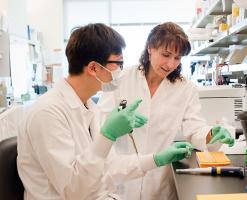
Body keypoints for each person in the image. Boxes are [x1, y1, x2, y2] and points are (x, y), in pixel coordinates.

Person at [17, 23, 194, 200]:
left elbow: (108, 165)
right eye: (118, 64)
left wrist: (157, 159)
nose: (121, 71)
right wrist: (107, 135)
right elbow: (73, 190)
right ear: (94, 68)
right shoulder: (47, 113)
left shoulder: (87, 107)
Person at [98, 22, 235, 200]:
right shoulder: (121, 79)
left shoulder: (185, 88)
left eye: (177, 58)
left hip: (159, 180)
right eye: (166, 54)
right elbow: (99, 123)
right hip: (121, 179)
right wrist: (119, 121)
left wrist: (211, 133)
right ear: (150, 48)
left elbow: (194, 128)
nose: (171, 64)